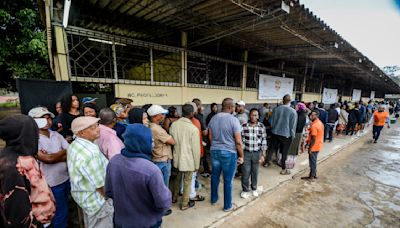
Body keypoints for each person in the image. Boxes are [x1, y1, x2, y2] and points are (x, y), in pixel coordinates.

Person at [105, 124, 172, 228]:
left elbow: (108, 192)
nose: (153, 143)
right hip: (147, 222)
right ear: (143, 141)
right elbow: (163, 203)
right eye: (151, 140)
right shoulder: (151, 170)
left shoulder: (114, 161)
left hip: (120, 221)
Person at [0, 115, 56, 227]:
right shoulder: (13, 167)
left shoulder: (22, 156)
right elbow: (18, 212)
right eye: (34, 133)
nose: (37, 137)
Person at [67, 116, 113, 228]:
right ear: (81, 133)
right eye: (92, 128)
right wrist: (108, 199)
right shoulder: (91, 153)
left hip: (85, 198)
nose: (98, 129)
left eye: (97, 125)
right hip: (98, 202)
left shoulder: (75, 144)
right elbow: (100, 185)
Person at [28, 107, 70, 228]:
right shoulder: (34, 139)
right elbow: (48, 159)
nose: (47, 121)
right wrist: (61, 153)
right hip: (50, 183)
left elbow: (70, 151)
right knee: (57, 213)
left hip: (65, 178)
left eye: (48, 118)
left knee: (65, 208)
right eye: (42, 119)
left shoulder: (56, 134)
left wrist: (54, 156)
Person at [208, 98, 243, 212]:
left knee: (215, 176)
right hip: (229, 153)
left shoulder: (213, 118)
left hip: (214, 151)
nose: (234, 109)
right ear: (230, 107)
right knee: (228, 180)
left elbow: (210, 138)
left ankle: (214, 199)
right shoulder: (234, 120)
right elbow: (238, 141)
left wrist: (215, 146)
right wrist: (241, 155)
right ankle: (227, 206)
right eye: (233, 107)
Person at [170, 104, 201, 210]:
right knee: (187, 181)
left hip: (177, 158)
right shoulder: (193, 129)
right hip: (188, 160)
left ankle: (174, 198)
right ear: (192, 113)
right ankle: (184, 204)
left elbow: (172, 142)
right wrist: (197, 165)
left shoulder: (174, 125)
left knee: (177, 179)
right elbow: (196, 150)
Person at [240, 108, 267, 199]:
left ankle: (254, 188)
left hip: (257, 153)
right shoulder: (243, 126)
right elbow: (241, 141)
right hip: (246, 153)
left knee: (255, 172)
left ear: (258, 116)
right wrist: (240, 154)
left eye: (255, 115)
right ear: (249, 116)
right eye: (252, 115)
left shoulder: (261, 126)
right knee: (245, 172)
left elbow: (263, 141)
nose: (253, 117)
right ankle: (245, 190)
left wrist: (263, 154)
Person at [148, 105, 176, 186]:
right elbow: (172, 142)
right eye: (162, 114)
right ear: (156, 116)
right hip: (162, 160)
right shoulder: (157, 129)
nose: (164, 116)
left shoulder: (150, 126)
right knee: (163, 187)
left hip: (156, 158)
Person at [269, 94, 297, 175]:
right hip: (286, 135)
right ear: (290, 101)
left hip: (275, 132)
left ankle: (267, 162)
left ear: (283, 100)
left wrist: (274, 128)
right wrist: (292, 135)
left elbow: (271, 121)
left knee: (271, 148)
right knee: (284, 151)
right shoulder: (293, 111)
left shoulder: (276, 109)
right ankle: (283, 168)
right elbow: (293, 126)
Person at [301, 109, 324, 181]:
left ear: (316, 115)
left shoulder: (314, 125)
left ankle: (311, 176)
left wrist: (310, 148)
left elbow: (313, 138)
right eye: (311, 115)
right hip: (318, 144)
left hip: (314, 146)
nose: (311, 116)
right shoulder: (320, 123)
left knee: (312, 162)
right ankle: (314, 174)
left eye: (312, 115)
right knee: (314, 160)